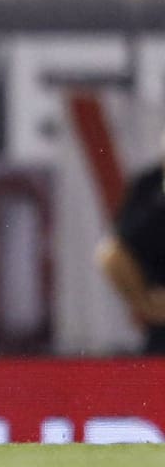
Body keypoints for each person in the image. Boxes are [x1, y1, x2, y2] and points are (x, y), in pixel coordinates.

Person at [95, 133, 165, 354]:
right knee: (109, 253)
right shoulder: (149, 184)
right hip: (159, 304)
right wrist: (145, 304)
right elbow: (119, 245)